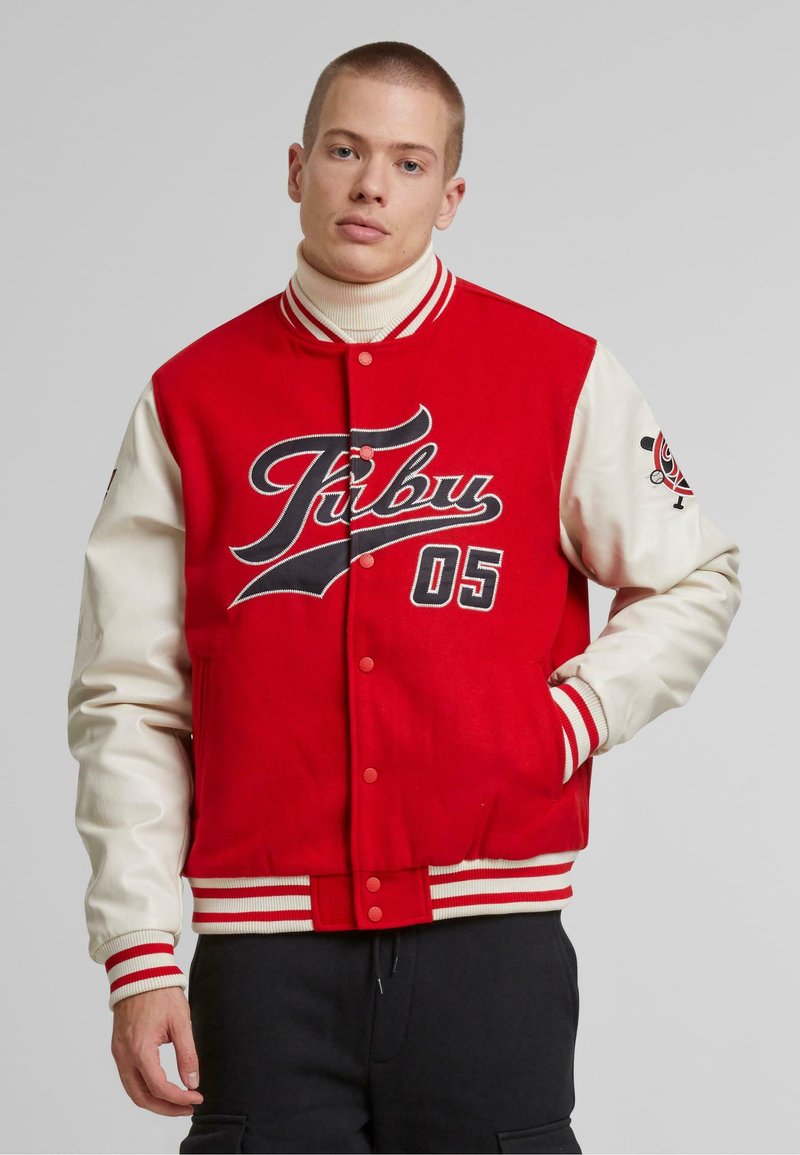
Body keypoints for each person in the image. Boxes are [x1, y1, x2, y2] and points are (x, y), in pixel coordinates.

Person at [67, 40, 742, 1155]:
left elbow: (694, 572)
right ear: (296, 169)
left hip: (491, 947)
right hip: (264, 964)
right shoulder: (189, 398)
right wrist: (137, 954)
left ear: (450, 195)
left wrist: (564, 719)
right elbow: (128, 697)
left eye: (408, 161)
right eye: (344, 151)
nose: (372, 185)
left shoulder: (557, 372)